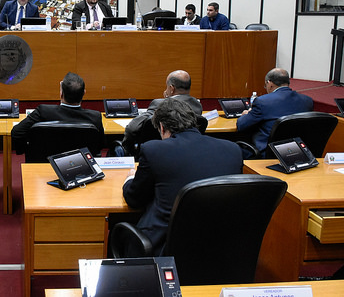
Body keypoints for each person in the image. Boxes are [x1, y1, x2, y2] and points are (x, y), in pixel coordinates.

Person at [122, 97, 243, 255]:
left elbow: (134, 199)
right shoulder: (232, 150)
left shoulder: (154, 150)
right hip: (220, 247)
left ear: (162, 127)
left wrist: (129, 179)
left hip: (164, 248)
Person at [11, 72, 105, 155]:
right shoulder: (95, 117)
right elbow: (99, 145)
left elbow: (16, 132)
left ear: (61, 94)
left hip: (45, 164)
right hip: (81, 168)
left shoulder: (43, 112)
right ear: (84, 93)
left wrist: (29, 149)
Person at [120, 70, 202, 156]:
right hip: (187, 154)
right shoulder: (197, 106)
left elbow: (132, 128)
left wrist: (131, 151)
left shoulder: (160, 104)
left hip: (155, 154)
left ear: (171, 88)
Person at [237, 68, 314, 155]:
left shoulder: (262, 102)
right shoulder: (307, 101)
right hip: (297, 152)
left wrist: (246, 115)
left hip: (268, 153)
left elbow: (241, 125)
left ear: (269, 83)